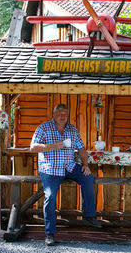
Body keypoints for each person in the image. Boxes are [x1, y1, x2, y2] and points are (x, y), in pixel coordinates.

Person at [30, 104, 101, 246]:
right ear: (54, 114)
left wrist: (85, 165)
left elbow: (81, 149)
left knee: (88, 178)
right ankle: (49, 233)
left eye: (65, 114)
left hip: (69, 166)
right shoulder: (43, 128)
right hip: (51, 168)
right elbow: (33, 147)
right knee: (50, 197)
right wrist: (52, 146)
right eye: (60, 114)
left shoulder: (72, 129)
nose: (63, 117)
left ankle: (89, 215)